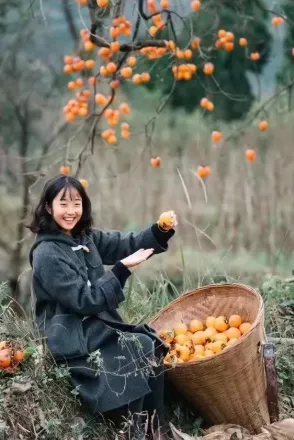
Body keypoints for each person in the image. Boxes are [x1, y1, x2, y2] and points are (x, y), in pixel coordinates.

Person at [28, 175, 177, 440]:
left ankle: (157, 428)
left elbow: (125, 243)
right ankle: (133, 431)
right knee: (136, 346)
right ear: (49, 207)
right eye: (63, 204)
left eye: (77, 203)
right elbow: (84, 301)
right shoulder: (47, 253)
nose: (71, 211)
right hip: (68, 333)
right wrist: (120, 270)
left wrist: (158, 232)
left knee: (151, 342)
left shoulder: (84, 238)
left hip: (92, 323)